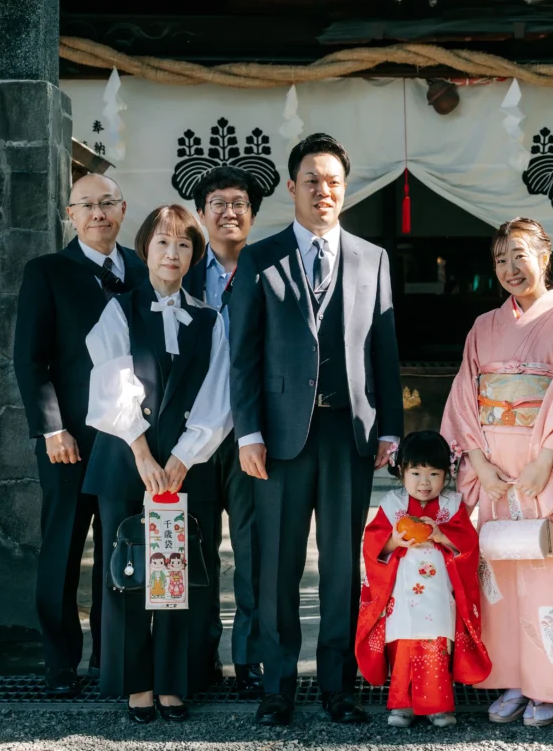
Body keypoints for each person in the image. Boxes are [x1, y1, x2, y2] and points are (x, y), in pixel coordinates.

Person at [230, 133, 403, 726]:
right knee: (277, 565)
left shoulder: (372, 258)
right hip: (279, 438)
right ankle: (277, 686)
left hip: (348, 433)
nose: (322, 190)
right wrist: (247, 432)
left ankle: (338, 687)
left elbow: (384, 351)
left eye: (333, 181)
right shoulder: (261, 257)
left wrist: (391, 429)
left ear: (345, 189)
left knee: (341, 567)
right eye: (311, 180)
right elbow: (243, 356)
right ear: (292, 187)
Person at [440, 218, 553, 727]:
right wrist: (480, 464)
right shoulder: (484, 326)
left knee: (548, 577)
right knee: (499, 578)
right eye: (501, 260)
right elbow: (464, 396)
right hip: (495, 471)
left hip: (544, 470)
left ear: (544, 258)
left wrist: (545, 460)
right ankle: (511, 679)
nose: (510, 268)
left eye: (520, 256)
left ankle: (546, 685)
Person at [82, 204, 234, 724]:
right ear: (145, 248)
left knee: (180, 574)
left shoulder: (210, 320)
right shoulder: (119, 310)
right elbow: (112, 385)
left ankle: (174, 682)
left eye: (184, 244)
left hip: (186, 466)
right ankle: (136, 684)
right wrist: (144, 454)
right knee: (128, 573)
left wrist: (183, 457)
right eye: (163, 243)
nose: (173, 253)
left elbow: (218, 398)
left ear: (194, 256)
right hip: (128, 462)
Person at [13, 173, 148, 695]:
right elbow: (31, 359)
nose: (98, 213)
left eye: (107, 203)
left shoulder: (143, 269)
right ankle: (59, 663)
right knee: (63, 549)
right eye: (86, 205)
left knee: (120, 546)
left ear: (122, 209)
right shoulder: (47, 272)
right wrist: (52, 428)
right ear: (70, 214)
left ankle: (108, 658)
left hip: (128, 440)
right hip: (68, 440)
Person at [182, 165, 265, 698]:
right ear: (201, 214)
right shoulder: (181, 270)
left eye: (239, 203)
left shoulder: (269, 270)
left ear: (252, 215)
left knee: (253, 549)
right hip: (192, 434)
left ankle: (250, 661)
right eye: (218, 203)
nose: (228, 212)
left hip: (251, 433)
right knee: (197, 546)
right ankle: (199, 658)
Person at [355, 430, 491, 728]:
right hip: (401, 592)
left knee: (435, 644)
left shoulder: (452, 505)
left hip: (438, 593)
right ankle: (402, 705)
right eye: (415, 473)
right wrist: (393, 541)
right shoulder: (392, 504)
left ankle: (437, 706)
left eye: (434, 474)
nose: (424, 482)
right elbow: (373, 545)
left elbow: (468, 545)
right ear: (401, 471)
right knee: (402, 644)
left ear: (447, 474)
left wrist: (442, 535)